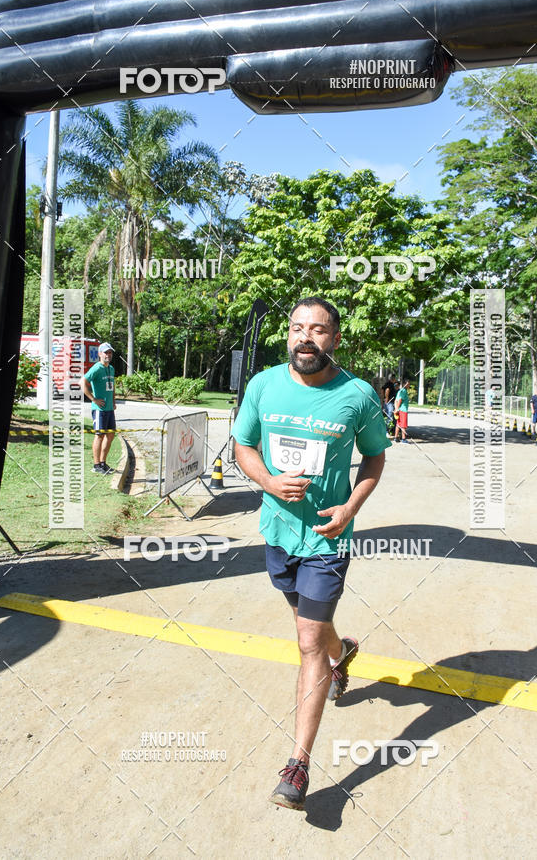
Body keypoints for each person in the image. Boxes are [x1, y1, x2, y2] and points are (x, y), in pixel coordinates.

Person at [232, 297, 389, 811]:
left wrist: (349, 508)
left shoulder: (358, 396)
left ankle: (297, 765)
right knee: (314, 631)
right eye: (298, 328)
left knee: (304, 641)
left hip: (328, 537)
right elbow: (244, 448)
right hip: (277, 535)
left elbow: (374, 459)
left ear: (334, 339)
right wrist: (270, 483)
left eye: (318, 330)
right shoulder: (264, 385)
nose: (305, 338)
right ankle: (341, 655)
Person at [80, 342, 116, 473]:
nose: (108, 355)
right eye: (106, 352)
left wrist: (113, 401)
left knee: (110, 435)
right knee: (100, 435)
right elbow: (82, 382)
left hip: (109, 408)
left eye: (110, 352)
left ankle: (103, 463)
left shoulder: (111, 369)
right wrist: (93, 399)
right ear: (100, 354)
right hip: (99, 409)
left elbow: (112, 386)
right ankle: (96, 466)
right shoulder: (96, 368)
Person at [394, 378, 410, 443]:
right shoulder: (404, 391)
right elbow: (400, 400)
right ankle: (403, 438)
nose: (409, 385)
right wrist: (397, 409)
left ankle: (396, 437)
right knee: (403, 425)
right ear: (404, 384)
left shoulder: (400, 391)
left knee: (398, 424)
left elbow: (396, 400)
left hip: (399, 410)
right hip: (403, 410)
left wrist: (396, 409)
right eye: (408, 384)